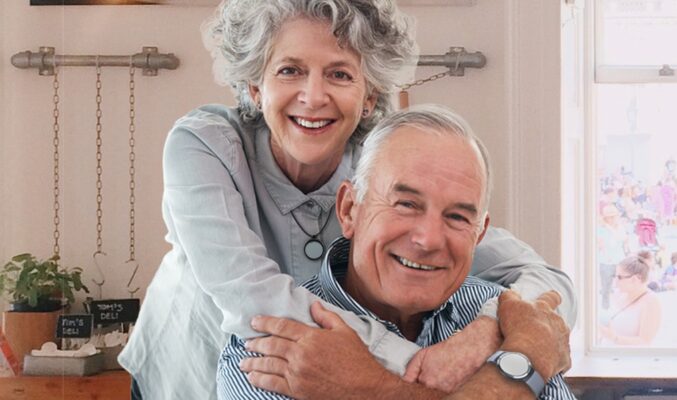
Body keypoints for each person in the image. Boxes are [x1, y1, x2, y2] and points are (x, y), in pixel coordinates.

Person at [118, 1, 576, 398]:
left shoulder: (383, 169)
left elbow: (546, 281)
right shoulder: (205, 144)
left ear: (369, 95)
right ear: (256, 88)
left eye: (339, 74)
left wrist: (488, 331)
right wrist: (406, 366)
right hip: (189, 371)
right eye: (290, 70)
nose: (314, 97)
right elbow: (250, 294)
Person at [217, 105, 574, 399]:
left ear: (479, 234)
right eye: (405, 204)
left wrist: (369, 388)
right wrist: (525, 363)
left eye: (457, 216)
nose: (429, 238)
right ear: (349, 210)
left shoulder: (516, 321)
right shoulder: (271, 344)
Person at [598, 255, 662, 346]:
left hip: (627, 357)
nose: (615, 281)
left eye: (619, 277)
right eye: (614, 276)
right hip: (607, 353)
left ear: (635, 279)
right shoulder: (619, 294)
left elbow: (644, 341)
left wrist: (614, 338)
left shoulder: (651, 302)